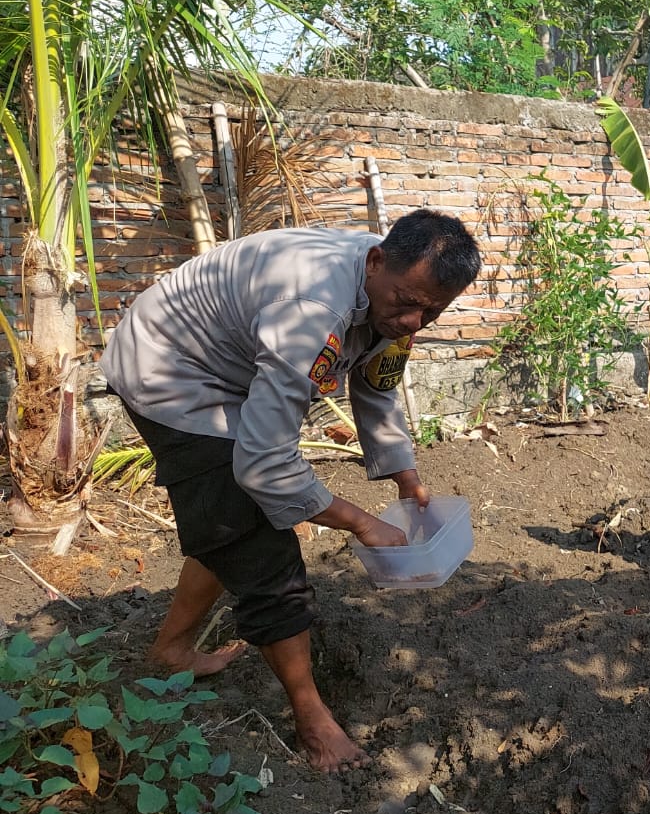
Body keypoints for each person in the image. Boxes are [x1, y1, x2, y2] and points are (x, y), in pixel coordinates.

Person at [101, 209, 481, 772]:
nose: (413, 322)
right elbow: (263, 462)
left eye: (432, 310)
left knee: (228, 521)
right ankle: (313, 721)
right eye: (407, 303)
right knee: (263, 544)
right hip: (172, 372)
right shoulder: (312, 309)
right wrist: (357, 520)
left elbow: (376, 388)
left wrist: (404, 472)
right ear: (376, 261)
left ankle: (171, 650)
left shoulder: (395, 294)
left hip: (230, 373)